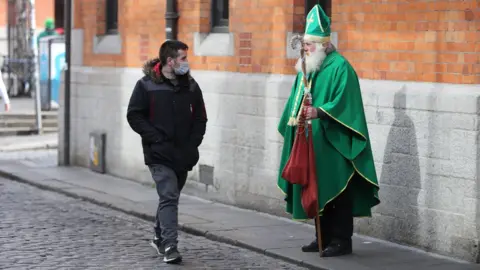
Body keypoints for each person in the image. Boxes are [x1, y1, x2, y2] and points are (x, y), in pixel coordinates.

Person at [277, 5, 380, 257]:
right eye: (305, 44)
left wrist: (319, 112)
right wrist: (295, 118)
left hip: (333, 142)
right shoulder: (308, 67)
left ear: (324, 45)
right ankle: (320, 237)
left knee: (337, 189)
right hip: (309, 140)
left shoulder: (340, 67)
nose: (305, 49)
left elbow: (346, 102)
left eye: (310, 44)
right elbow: (296, 99)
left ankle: (341, 240)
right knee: (314, 189)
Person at [126, 40, 207, 264]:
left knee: (169, 197)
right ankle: (170, 246)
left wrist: (193, 144)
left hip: (183, 154)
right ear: (169, 61)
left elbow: (200, 117)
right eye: (183, 58)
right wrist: (156, 138)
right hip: (158, 153)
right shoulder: (146, 85)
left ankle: (159, 236)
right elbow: (134, 115)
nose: (186, 63)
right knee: (169, 195)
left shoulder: (190, 86)